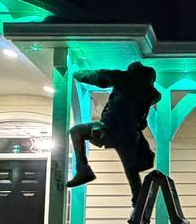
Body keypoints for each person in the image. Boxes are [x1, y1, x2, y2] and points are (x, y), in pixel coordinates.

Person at [67, 61, 161, 197]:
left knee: (76, 131)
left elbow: (98, 76)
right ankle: (138, 200)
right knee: (131, 170)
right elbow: (142, 121)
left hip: (110, 128)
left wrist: (78, 73)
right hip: (130, 135)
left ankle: (83, 170)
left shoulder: (123, 77)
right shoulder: (153, 95)